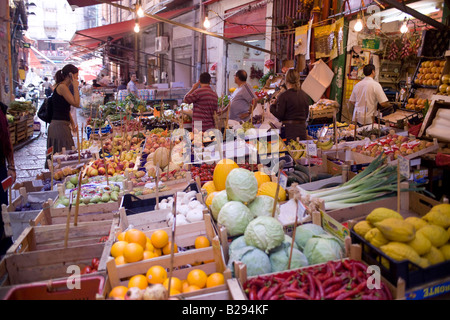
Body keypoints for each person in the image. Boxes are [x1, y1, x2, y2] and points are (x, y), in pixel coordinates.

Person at [46, 64, 80, 168]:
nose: (77, 78)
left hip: (60, 125)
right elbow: (76, 103)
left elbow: (65, 108)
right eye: (76, 76)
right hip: (59, 127)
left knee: (64, 156)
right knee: (64, 156)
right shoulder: (62, 87)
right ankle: (58, 181)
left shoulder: (62, 87)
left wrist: (73, 124)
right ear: (71, 75)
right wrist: (75, 86)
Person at [270, 68, 310, 141]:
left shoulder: (283, 96)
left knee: (291, 151)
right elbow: (306, 114)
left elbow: (280, 115)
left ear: (286, 80)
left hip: (290, 131)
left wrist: (272, 106)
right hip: (302, 130)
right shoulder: (304, 95)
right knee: (302, 150)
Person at [0, 101, 15, 256]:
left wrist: (11, 166)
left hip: (0, 168)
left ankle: (5, 249)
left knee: (2, 207)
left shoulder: (1, 111)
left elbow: (6, 138)